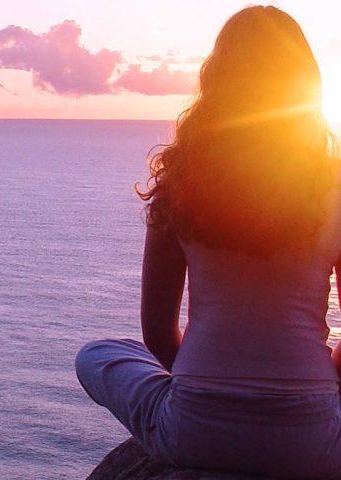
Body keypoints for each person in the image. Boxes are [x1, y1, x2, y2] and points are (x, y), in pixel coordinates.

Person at [75, 5, 341, 479]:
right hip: (312, 442)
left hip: (194, 431)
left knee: (97, 355)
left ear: (216, 81)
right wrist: (316, 388)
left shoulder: (181, 183)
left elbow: (158, 334)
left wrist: (209, 387)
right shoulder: (335, 189)